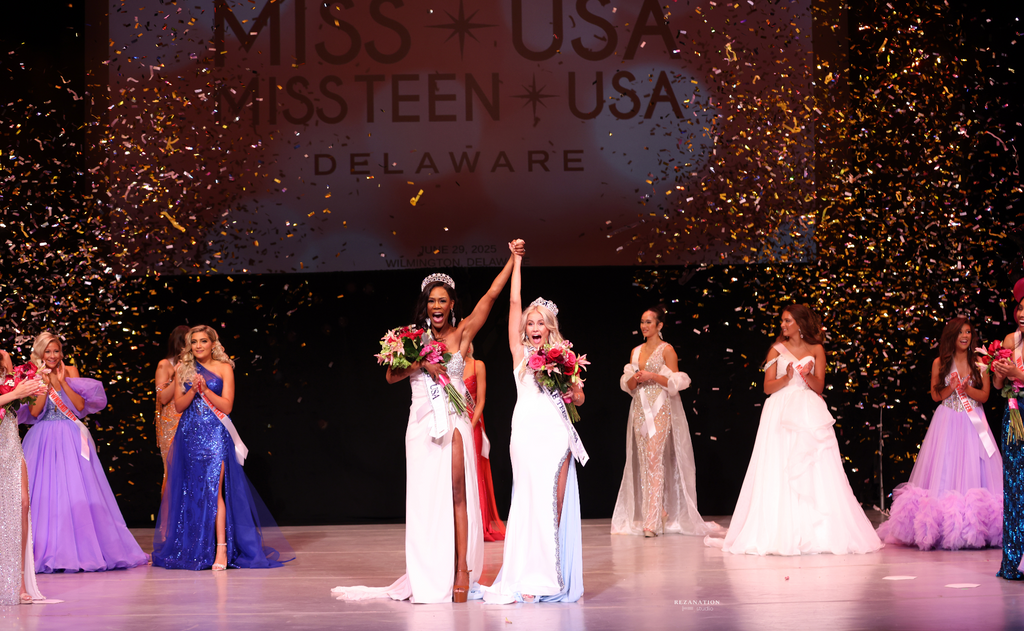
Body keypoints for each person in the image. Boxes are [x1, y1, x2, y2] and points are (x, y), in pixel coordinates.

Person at [332, 242, 522, 603]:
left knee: (457, 494)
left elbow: (492, 296)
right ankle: (430, 569)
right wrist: (421, 364)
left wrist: (514, 259)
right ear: (426, 305)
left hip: (452, 423)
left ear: (452, 305)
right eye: (432, 301)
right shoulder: (411, 339)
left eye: (443, 301)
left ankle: (462, 570)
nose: (437, 307)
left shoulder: (462, 334)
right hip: (420, 428)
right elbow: (390, 376)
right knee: (424, 500)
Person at [706, 305, 883, 556]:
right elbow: (767, 387)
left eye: (787, 321)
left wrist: (806, 375)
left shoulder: (816, 350)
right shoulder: (775, 350)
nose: (783, 325)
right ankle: (780, 530)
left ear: (799, 323)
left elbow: (819, 387)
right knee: (780, 466)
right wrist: (787, 378)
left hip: (808, 410)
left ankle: (816, 531)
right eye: (782, 321)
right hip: (779, 411)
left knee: (813, 466)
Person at [483, 247, 585, 603]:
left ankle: (546, 575)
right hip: (525, 435)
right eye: (531, 322)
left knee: (553, 505)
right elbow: (513, 303)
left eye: (541, 322)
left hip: (556, 435)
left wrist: (569, 385)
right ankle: (525, 574)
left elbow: (580, 399)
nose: (535, 326)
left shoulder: (566, 357)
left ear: (550, 327)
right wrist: (518, 262)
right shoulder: (520, 354)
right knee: (528, 503)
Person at [152, 325, 292, 571]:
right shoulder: (183, 368)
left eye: (203, 341)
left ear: (213, 343)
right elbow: (177, 406)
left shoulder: (225, 368)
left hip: (215, 435)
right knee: (192, 492)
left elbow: (227, 407)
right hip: (188, 434)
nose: (198, 346)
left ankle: (221, 549)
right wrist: (192, 390)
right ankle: (195, 547)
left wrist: (205, 390)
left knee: (214, 491)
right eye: (193, 342)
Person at [20, 332, 148, 573]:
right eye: (47, 351)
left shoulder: (70, 370)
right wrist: (43, 385)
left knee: (75, 490)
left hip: (70, 434)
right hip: (43, 436)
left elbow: (79, 407)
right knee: (45, 492)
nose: (52, 356)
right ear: (39, 353)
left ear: (61, 352)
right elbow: (35, 413)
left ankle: (79, 550)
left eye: (56, 351)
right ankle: (45, 549)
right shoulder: (34, 375)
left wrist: (60, 383)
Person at [877, 317, 1002, 550]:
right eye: (960, 333)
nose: (965, 336)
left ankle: (976, 528)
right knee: (945, 468)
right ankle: (944, 527)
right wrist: (951, 388)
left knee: (975, 467)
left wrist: (968, 390)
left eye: (968, 332)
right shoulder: (940, 363)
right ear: (951, 337)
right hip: (946, 421)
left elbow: (984, 396)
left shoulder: (981, 362)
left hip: (973, 421)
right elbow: (935, 396)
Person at [612, 305, 718, 537]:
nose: (644, 326)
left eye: (649, 322)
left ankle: (651, 522)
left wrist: (652, 376)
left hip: (659, 407)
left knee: (654, 457)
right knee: (644, 459)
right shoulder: (636, 351)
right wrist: (637, 379)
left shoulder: (666, 349)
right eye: (642, 321)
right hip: (640, 407)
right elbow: (628, 386)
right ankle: (657, 510)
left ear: (660, 325)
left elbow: (676, 382)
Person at [0, 349, 47, 604]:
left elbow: (19, 402)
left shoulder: (4, 358)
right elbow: (12, 395)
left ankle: (17, 582)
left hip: (9, 443)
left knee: (22, 504)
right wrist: (15, 394)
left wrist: (27, 390)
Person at [991, 280, 1024, 580]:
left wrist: (1018, 373)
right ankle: (1013, 560)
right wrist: (1000, 373)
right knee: (1014, 487)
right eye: (1021, 307)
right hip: (1014, 414)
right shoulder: (1010, 340)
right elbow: (998, 386)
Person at [464, 344, 506, 541]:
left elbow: (480, 401)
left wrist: (471, 425)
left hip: (473, 424)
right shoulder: (447, 365)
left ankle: (480, 523)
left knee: (476, 470)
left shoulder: (477, 365)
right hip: (454, 422)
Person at [155, 325, 190, 492]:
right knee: (172, 473)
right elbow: (162, 398)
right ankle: (168, 518)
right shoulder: (165, 365)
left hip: (190, 420)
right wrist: (177, 376)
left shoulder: (194, 366)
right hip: (171, 424)